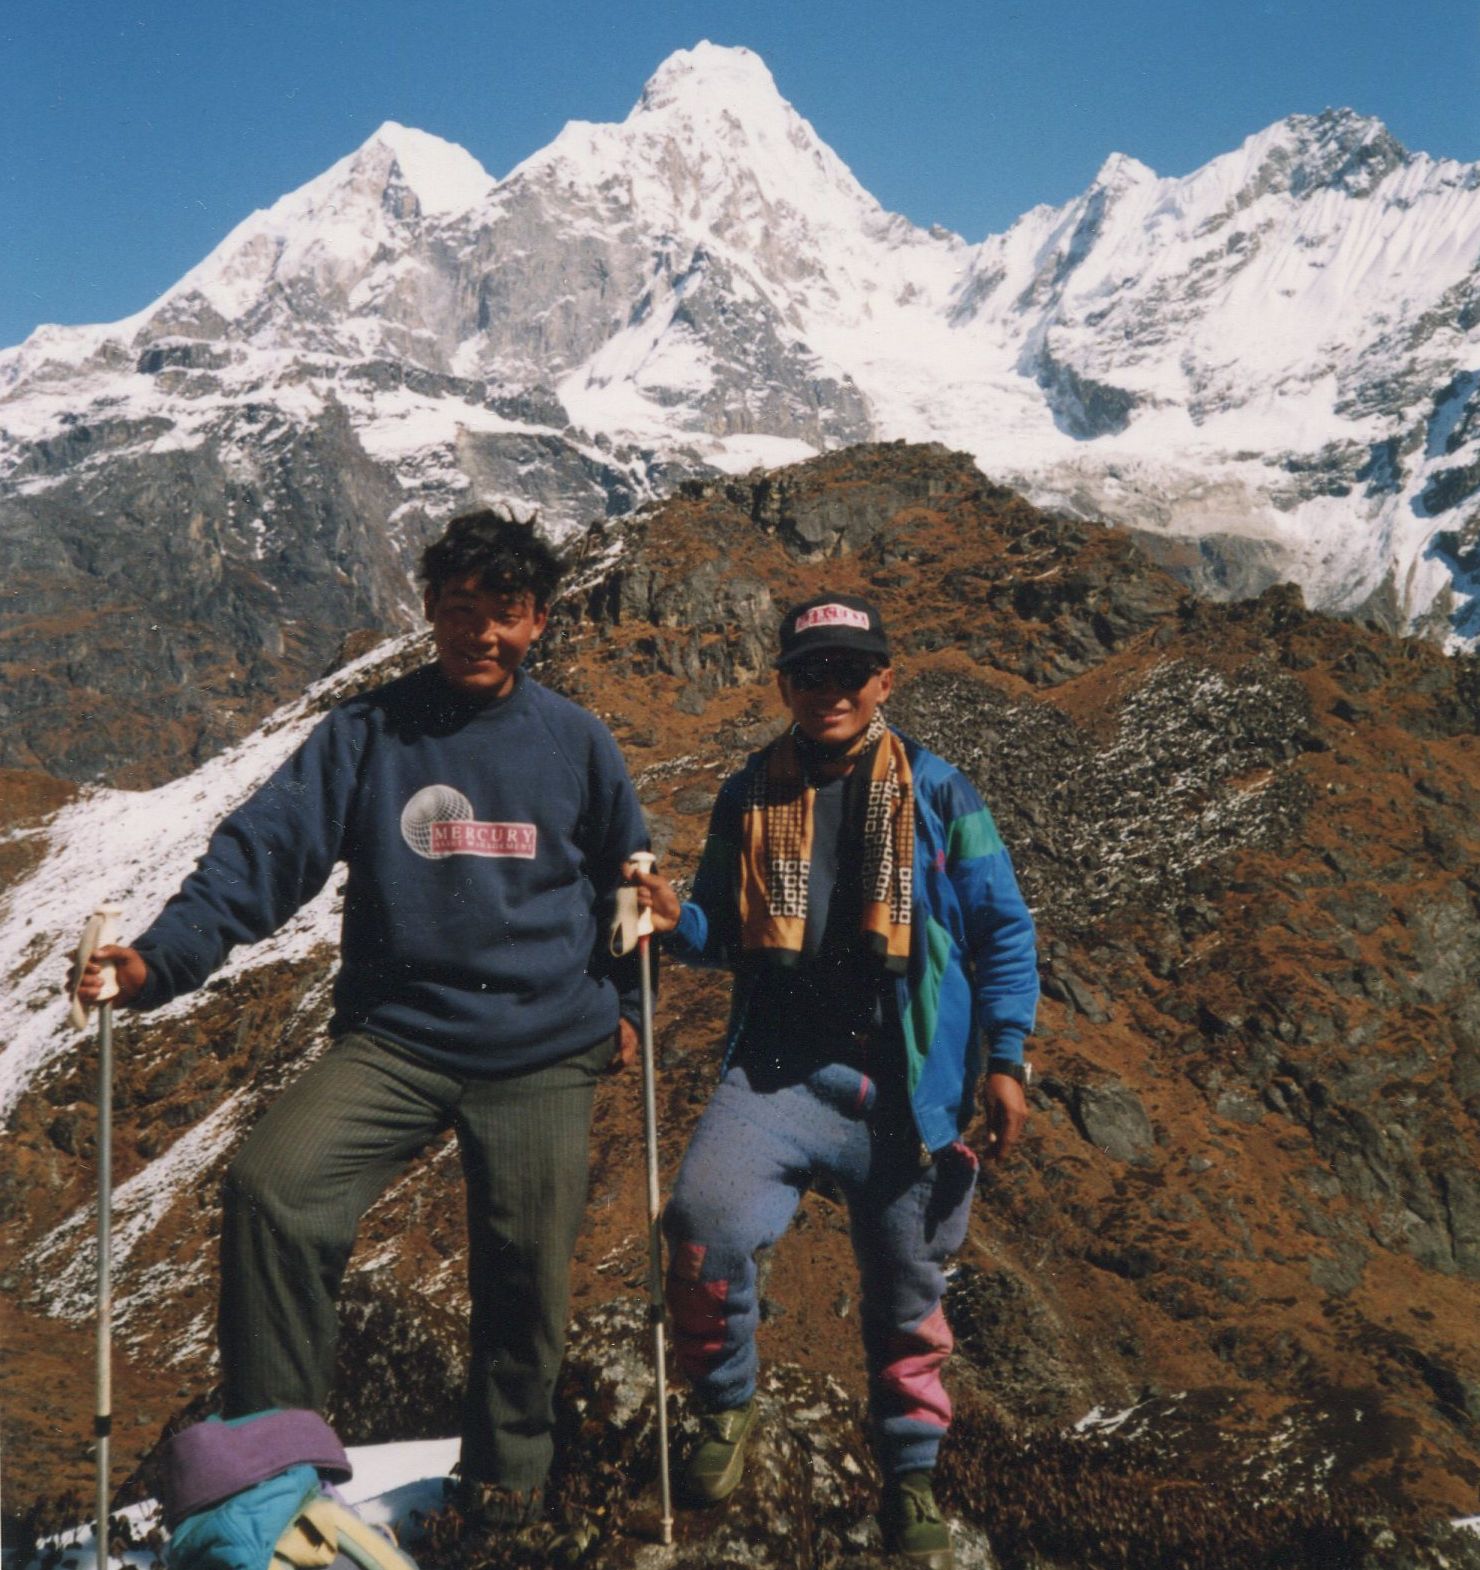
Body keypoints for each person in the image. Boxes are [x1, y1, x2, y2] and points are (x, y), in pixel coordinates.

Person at [73, 509, 649, 1529]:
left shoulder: (575, 740)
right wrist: (157, 959)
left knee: (525, 1268)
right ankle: (271, 1477)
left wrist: (633, 1008)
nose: (479, 633)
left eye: (503, 614)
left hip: (545, 1045)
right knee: (275, 1188)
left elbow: (625, 882)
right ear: (428, 610)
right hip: (400, 1037)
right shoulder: (366, 733)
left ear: (539, 622)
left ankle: (504, 1493)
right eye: (459, 609)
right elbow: (262, 857)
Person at [627, 593, 1039, 1569]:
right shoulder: (749, 794)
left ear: (883, 682)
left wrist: (1009, 1059)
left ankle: (910, 1473)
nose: (830, 691)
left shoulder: (942, 795)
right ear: (785, 684)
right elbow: (725, 936)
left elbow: (1001, 930)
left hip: (905, 1096)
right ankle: (724, 1405)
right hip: (777, 1075)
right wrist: (674, 918)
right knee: (702, 1227)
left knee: (907, 1292)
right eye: (810, 673)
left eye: (849, 673)